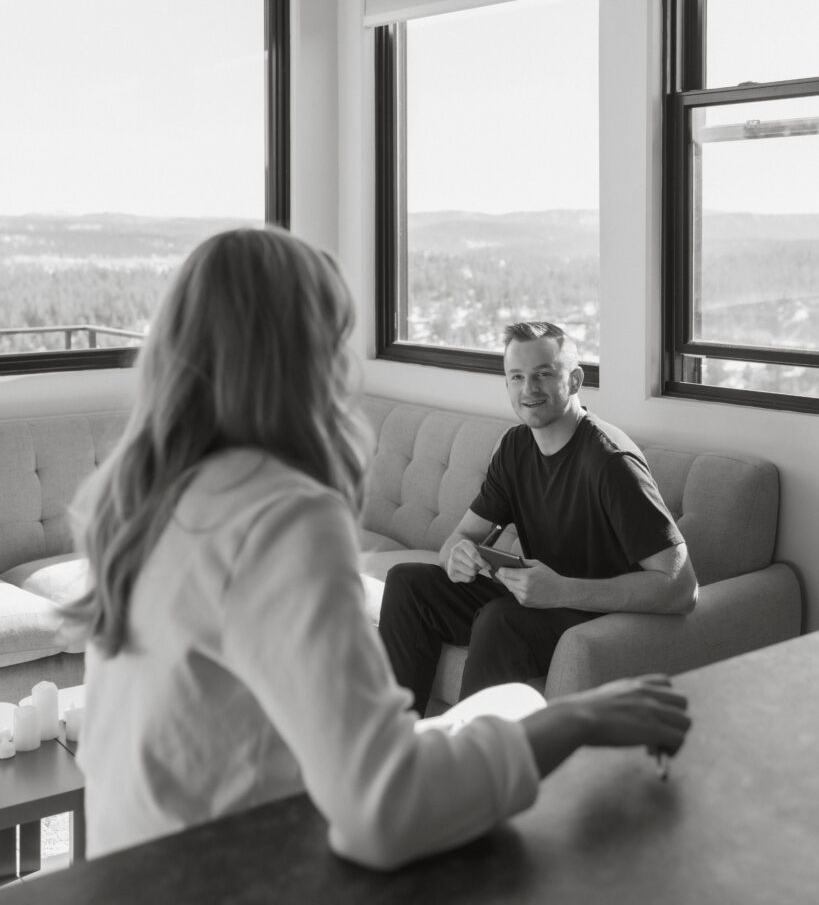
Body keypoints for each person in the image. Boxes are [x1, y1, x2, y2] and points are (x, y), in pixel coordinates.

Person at [65, 231, 692, 871]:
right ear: (302, 356)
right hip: (236, 874)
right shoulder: (280, 514)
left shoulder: (141, 497)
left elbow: (677, 581)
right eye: (335, 340)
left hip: (137, 867)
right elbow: (383, 810)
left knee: (496, 638)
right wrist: (575, 721)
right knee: (451, 627)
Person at [378, 321, 699, 717]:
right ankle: (395, 745)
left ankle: (472, 767)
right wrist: (457, 556)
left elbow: (681, 588)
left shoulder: (610, 463)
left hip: (595, 612)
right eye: (517, 377)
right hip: (537, 595)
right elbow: (460, 538)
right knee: (408, 582)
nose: (529, 390)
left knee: (501, 621)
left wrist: (561, 590)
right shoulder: (516, 446)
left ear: (575, 379)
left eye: (543, 375)